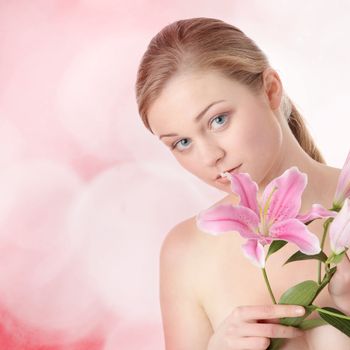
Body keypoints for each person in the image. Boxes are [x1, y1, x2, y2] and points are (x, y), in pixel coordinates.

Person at [135, 17, 350, 350]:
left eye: (218, 120)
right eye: (182, 143)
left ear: (270, 90)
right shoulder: (185, 253)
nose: (210, 157)